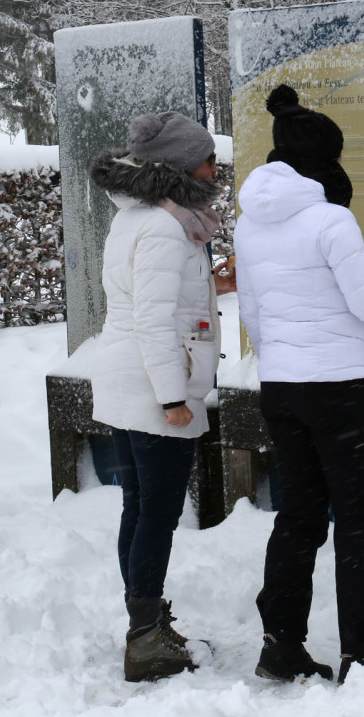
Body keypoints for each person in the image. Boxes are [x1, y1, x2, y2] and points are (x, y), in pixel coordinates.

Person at [234, 84, 364, 684]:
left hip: (282, 389)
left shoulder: (248, 226)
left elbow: (256, 317)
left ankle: (280, 643)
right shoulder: (330, 220)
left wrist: (287, 362)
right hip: (340, 390)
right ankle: (363, 657)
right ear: (323, 160)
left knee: (298, 518)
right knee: (362, 521)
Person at [87, 111, 235, 682]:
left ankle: (143, 623)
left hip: (130, 378)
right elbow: (151, 318)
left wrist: (212, 285)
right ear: (179, 167)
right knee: (158, 513)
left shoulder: (143, 216)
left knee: (140, 507)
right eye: (206, 158)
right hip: (151, 384)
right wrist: (174, 397)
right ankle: (146, 639)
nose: (214, 166)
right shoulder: (163, 227)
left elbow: (151, 296)